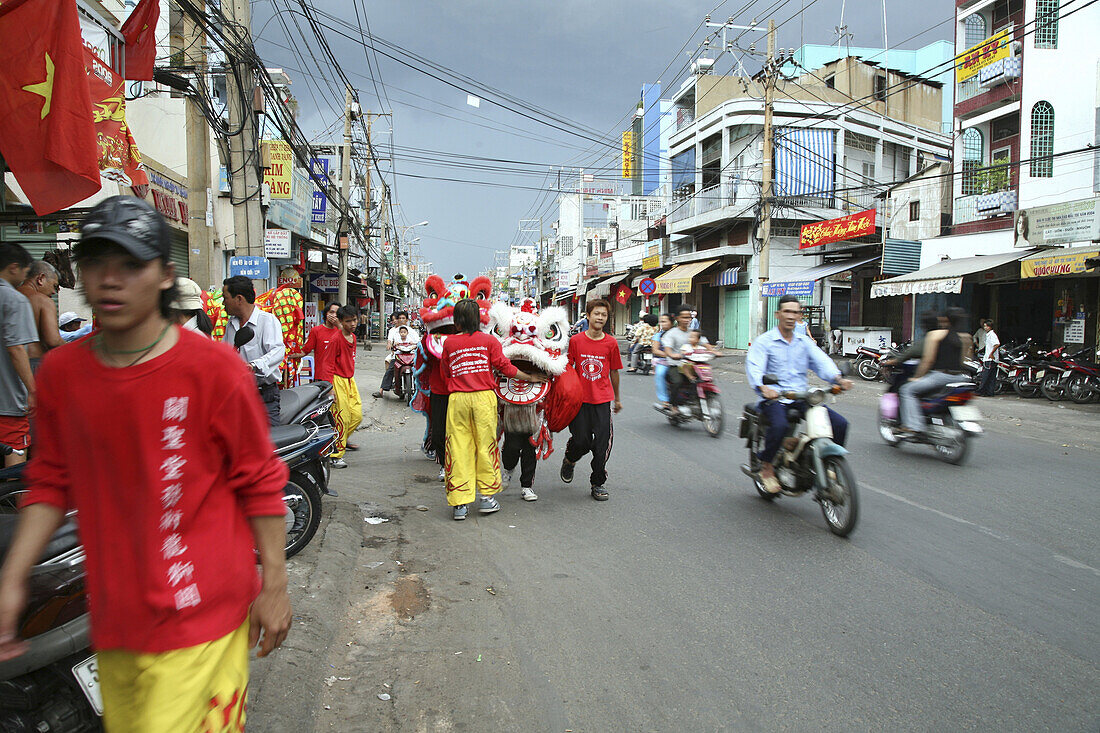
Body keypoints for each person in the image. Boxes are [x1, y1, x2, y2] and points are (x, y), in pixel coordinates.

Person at [0, 195, 290, 731]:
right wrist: (12, 579)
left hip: (202, 617)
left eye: (130, 264)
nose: (110, 280)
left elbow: (259, 482)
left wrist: (274, 582)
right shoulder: (64, 375)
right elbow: (50, 482)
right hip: (115, 622)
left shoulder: (214, 370)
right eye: (95, 263)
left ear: (165, 275)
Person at [442, 299, 543, 521]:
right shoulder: (489, 341)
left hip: (458, 400)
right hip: (483, 400)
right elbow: (505, 368)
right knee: (485, 447)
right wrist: (530, 377)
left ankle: (460, 504)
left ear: (457, 322)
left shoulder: (449, 343)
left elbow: (445, 373)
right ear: (478, 320)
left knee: (458, 448)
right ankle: (487, 499)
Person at [746, 295, 852, 494]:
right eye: (787, 311)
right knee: (779, 425)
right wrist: (763, 387)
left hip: (802, 397)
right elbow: (755, 368)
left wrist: (838, 379)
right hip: (774, 398)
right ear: (778, 314)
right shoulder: (765, 342)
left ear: (800, 316)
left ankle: (828, 463)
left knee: (840, 424)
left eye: (795, 312)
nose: (791, 316)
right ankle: (767, 465)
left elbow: (822, 362)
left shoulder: (804, 342)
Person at [560, 298, 622, 502]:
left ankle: (598, 482)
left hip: (602, 400)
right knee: (582, 441)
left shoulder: (611, 343)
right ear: (588, 315)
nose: (600, 318)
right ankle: (570, 458)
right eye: (597, 313)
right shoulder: (576, 341)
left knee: (602, 445)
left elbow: (614, 371)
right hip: (580, 401)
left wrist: (617, 398)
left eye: (604, 315)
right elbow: (568, 368)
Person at [222, 275, 286, 427]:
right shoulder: (230, 325)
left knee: (270, 444)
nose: (223, 303)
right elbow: (226, 352)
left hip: (264, 395)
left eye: (225, 298)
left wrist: (253, 365)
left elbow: (277, 351)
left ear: (239, 299)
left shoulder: (267, 320)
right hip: (238, 395)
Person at [899, 306, 970, 434]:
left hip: (940, 376)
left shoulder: (935, 335)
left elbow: (928, 360)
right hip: (960, 377)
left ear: (944, 319)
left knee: (906, 390)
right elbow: (964, 360)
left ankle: (914, 426)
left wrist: (917, 377)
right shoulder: (966, 338)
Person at [0, 243, 36, 466]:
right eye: (25, 270)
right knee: (16, 457)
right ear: (14, 267)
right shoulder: (14, 299)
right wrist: (33, 390)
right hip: (7, 400)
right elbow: (17, 349)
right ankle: (17, 501)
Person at [324, 306, 363, 469]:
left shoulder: (353, 337)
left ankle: (335, 442)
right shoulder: (335, 339)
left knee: (356, 416)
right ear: (340, 322)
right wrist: (330, 387)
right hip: (337, 380)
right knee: (342, 418)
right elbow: (328, 364)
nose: (353, 324)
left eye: (354, 320)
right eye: (348, 321)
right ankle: (335, 455)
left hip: (349, 380)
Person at [16, 260, 63, 367]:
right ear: (40, 279)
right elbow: (53, 341)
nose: (53, 292)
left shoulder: (10, 296)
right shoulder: (43, 301)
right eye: (54, 285)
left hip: (9, 363)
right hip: (34, 362)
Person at [290, 301, 341, 385]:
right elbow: (304, 351)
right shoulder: (316, 331)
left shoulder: (342, 331)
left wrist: (339, 326)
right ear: (326, 314)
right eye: (332, 312)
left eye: (337, 313)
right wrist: (287, 355)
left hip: (339, 377)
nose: (334, 315)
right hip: (322, 376)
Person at [372, 310, 419, 398]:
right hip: (398, 355)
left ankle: (420, 391)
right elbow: (390, 341)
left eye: (403, 318)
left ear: (407, 320)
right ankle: (381, 390)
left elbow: (418, 341)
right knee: (390, 369)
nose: (401, 320)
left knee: (419, 369)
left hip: (411, 354)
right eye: (400, 318)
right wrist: (390, 345)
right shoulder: (394, 331)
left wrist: (415, 345)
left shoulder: (412, 331)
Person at [661, 304, 696, 404]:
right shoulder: (671, 333)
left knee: (704, 378)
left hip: (692, 364)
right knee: (677, 382)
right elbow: (667, 349)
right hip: (676, 365)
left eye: (688, 317)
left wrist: (713, 351)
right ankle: (674, 406)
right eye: (684, 317)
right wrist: (672, 355)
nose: (686, 320)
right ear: (677, 318)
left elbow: (704, 343)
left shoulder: (693, 332)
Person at [651, 313, 674, 408]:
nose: (662, 324)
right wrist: (668, 355)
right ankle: (665, 400)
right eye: (661, 322)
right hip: (664, 361)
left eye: (665, 321)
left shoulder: (677, 333)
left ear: (672, 323)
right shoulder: (658, 335)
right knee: (660, 374)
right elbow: (655, 350)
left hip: (679, 360)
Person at [977, 319, 1001, 397]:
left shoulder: (992, 335)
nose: (985, 328)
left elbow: (997, 344)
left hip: (990, 359)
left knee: (986, 376)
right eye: (984, 326)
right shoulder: (989, 335)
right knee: (991, 377)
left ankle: (982, 391)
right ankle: (989, 392)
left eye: (986, 326)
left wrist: (991, 354)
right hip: (992, 359)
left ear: (990, 327)